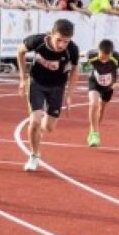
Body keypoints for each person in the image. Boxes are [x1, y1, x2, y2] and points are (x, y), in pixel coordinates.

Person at [16, 19, 80, 172]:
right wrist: (22, 78)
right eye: (59, 40)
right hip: (36, 83)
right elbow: (20, 51)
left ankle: (38, 132)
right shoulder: (37, 41)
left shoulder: (72, 49)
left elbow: (75, 71)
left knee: (49, 127)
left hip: (57, 86)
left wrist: (69, 94)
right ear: (51, 34)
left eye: (66, 41)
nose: (61, 45)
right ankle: (34, 155)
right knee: (35, 121)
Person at [85, 39, 119, 147]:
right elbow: (80, 54)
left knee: (101, 109)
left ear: (111, 54)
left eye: (106, 58)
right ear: (98, 51)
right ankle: (94, 133)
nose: (103, 60)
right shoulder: (91, 54)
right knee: (93, 104)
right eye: (102, 57)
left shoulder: (117, 58)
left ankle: (95, 131)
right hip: (95, 82)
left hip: (109, 86)